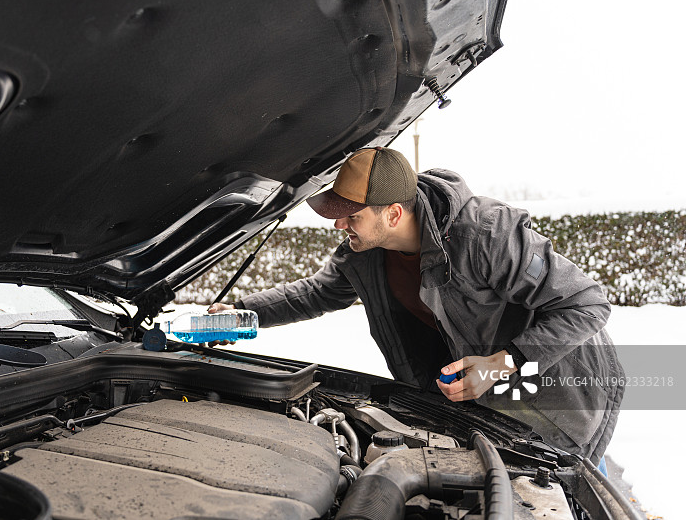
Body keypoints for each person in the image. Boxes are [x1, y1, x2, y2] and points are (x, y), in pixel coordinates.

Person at [210, 147, 623, 465]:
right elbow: (316, 294)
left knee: (565, 492)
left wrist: (499, 365)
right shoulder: (364, 254)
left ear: (392, 213)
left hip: (560, 398)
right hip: (472, 408)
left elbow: (587, 304)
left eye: (350, 214)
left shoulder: (484, 235)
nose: (339, 224)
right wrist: (242, 313)